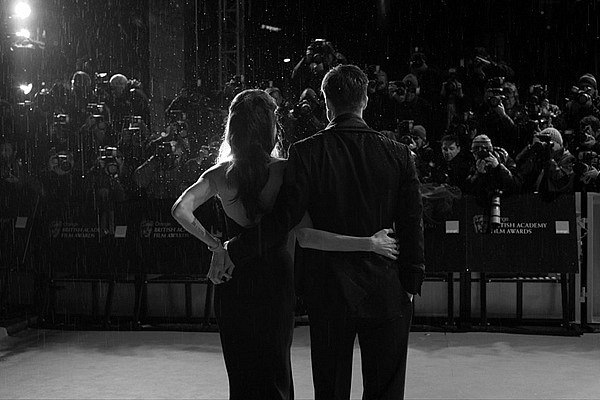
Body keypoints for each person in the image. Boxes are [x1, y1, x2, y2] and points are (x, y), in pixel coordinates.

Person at [171, 89, 400, 400]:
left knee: (241, 375)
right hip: (275, 282)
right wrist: (368, 243)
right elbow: (307, 236)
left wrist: (217, 246)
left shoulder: (219, 174)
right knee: (277, 373)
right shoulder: (286, 170)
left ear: (233, 129)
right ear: (270, 128)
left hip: (233, 281)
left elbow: (180, 210)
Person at [217, 65, 425, 400]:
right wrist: (411, 282)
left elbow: (283, 220)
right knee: (385, 390)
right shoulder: (397, 153)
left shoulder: (307, 152)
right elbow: (412, 222)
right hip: (386, 288)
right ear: (365, 100)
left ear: (327, 104)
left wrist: (233, 248)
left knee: (330, 389)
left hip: (329, 291)